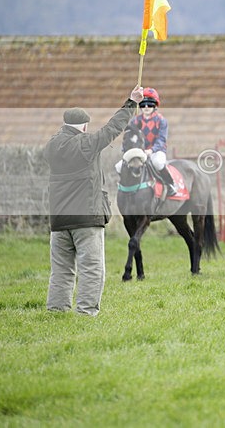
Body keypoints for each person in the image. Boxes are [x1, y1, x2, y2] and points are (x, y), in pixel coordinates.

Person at [44, 85, 144, 316]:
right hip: (86, 218)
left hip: (58, 220)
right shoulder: (86, 144)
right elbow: (111, 129)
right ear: (84, 126)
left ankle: (56, 312)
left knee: (61, 270)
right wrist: (131, 102)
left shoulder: (51, 146)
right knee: (92, 269)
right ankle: (86, 313)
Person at [116, 87, 177, 196]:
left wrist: (151, 150)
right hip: (139, 152)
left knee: (158, 163)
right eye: (143, 104)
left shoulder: (161, 121)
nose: (147, 107)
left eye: (150, 104)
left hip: (156, 151)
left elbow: (161, 140)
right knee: (119, 166)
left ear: (155, 105)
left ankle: (170, 184)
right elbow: (128, 138)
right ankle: (125, 186)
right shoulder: (135, 120)